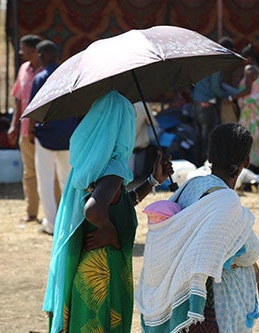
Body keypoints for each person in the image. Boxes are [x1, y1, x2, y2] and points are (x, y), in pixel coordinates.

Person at [42, 90, 174, 333]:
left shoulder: (87, 167)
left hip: (88, 274)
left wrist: (153, 181)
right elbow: (94, 211)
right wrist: (111, 232)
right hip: (102, 274)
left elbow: (119, 203)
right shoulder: (114, 168)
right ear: (120, 127)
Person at [136, 123, 259, 333]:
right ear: (246, 162)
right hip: (215, 305)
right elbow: (247, 251)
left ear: (209, 156)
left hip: (177, 294)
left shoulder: (191, 186)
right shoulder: (225, 201)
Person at [29, 40, 79, 235]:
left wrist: (31, 132)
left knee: (45, 182)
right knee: (68, 183)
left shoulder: (40, 78)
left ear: (41, 56)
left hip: (46, 137)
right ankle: (70, 223)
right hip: (69, 136)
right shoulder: (69, 75)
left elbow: (34, 109)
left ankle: (51, 224)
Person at [7, 34, 42, 224]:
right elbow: (19, 99)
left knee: (51, 174)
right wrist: (14, 125)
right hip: (24, 130)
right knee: (29, 173)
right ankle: (32, 213)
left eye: (23, 49)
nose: (20, 53)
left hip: (44, 132)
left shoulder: (47, 72)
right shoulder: (23, 69)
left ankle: (54, 214)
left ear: (34, 51)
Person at [191, 36, 237, 166]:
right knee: (207, 138)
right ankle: (203, 165)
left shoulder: (206, 59)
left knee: (199, 137)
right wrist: (227, 97)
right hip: (206, 105)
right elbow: (216, 88)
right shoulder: (217, 63)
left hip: (197, 103)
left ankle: (197, 164)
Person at [229, 44, 259, 170]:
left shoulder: (249, 69)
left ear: (249, 58)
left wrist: (231, 98)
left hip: (252, 109)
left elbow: (247, 90)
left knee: (247, 137)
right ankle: (258, 166)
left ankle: (248, 166)